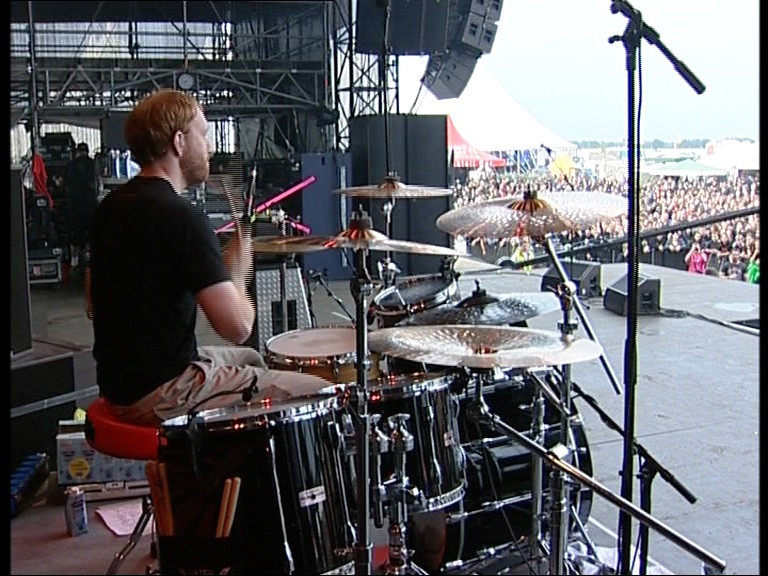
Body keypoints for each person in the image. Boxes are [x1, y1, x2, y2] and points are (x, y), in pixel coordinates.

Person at [87, 88, 327, 427]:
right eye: (203, 135)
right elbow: (238, 328)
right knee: (318, 392)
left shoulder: (110, 207)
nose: (210, 148)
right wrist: (238, 271)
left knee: (252, 359)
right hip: (161, 393)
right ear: (179, 142)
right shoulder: (181, 216)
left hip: (118, 386)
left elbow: (91, 301)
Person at [62, 142, 98, 271]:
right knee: (92, 236)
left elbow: (62, 183)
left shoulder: (70, 165)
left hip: (75, 207)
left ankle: (74, 263)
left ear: (77, 152)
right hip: (91, 206)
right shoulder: (93, 164)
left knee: (75, 237)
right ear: (87, 152)